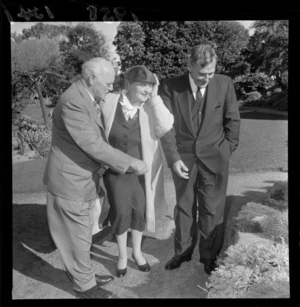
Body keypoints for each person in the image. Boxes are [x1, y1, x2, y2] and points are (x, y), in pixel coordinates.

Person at [43, 58, 148, 299]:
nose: (111, 88)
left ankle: (84, 275)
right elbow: (91, 143)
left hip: (81, 179)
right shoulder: (74, 101)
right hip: (70, 183)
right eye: (108, 83)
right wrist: (129, 161)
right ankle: (85, 287)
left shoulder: (86, 96)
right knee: (77, 237)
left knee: (81, 235)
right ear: (92, 79)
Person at [159, 43, 240, 275]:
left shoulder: (224, 83)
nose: (207, 78)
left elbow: (232, 119)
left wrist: (227, 149)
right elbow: (165, 129)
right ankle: (182, 251)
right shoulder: (171, 86)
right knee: (184, 207)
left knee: (211, 209)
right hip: (182, 160)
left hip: (215, 158)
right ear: (189, 66)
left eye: (211, 73)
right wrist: (173, 158)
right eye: (202, 74)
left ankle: (209, 256)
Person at [100, 65, 173, 278]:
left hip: (143, 173)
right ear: (129, 85)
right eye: (143, 85)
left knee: (139, 211)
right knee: (121, 212)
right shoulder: (109, 102)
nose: (147, 90)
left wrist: (156, 97)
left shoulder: (150, 106)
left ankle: (137, 252)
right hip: (115, 171)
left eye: (150, 85)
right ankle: (123, 255)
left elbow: (167, 125)